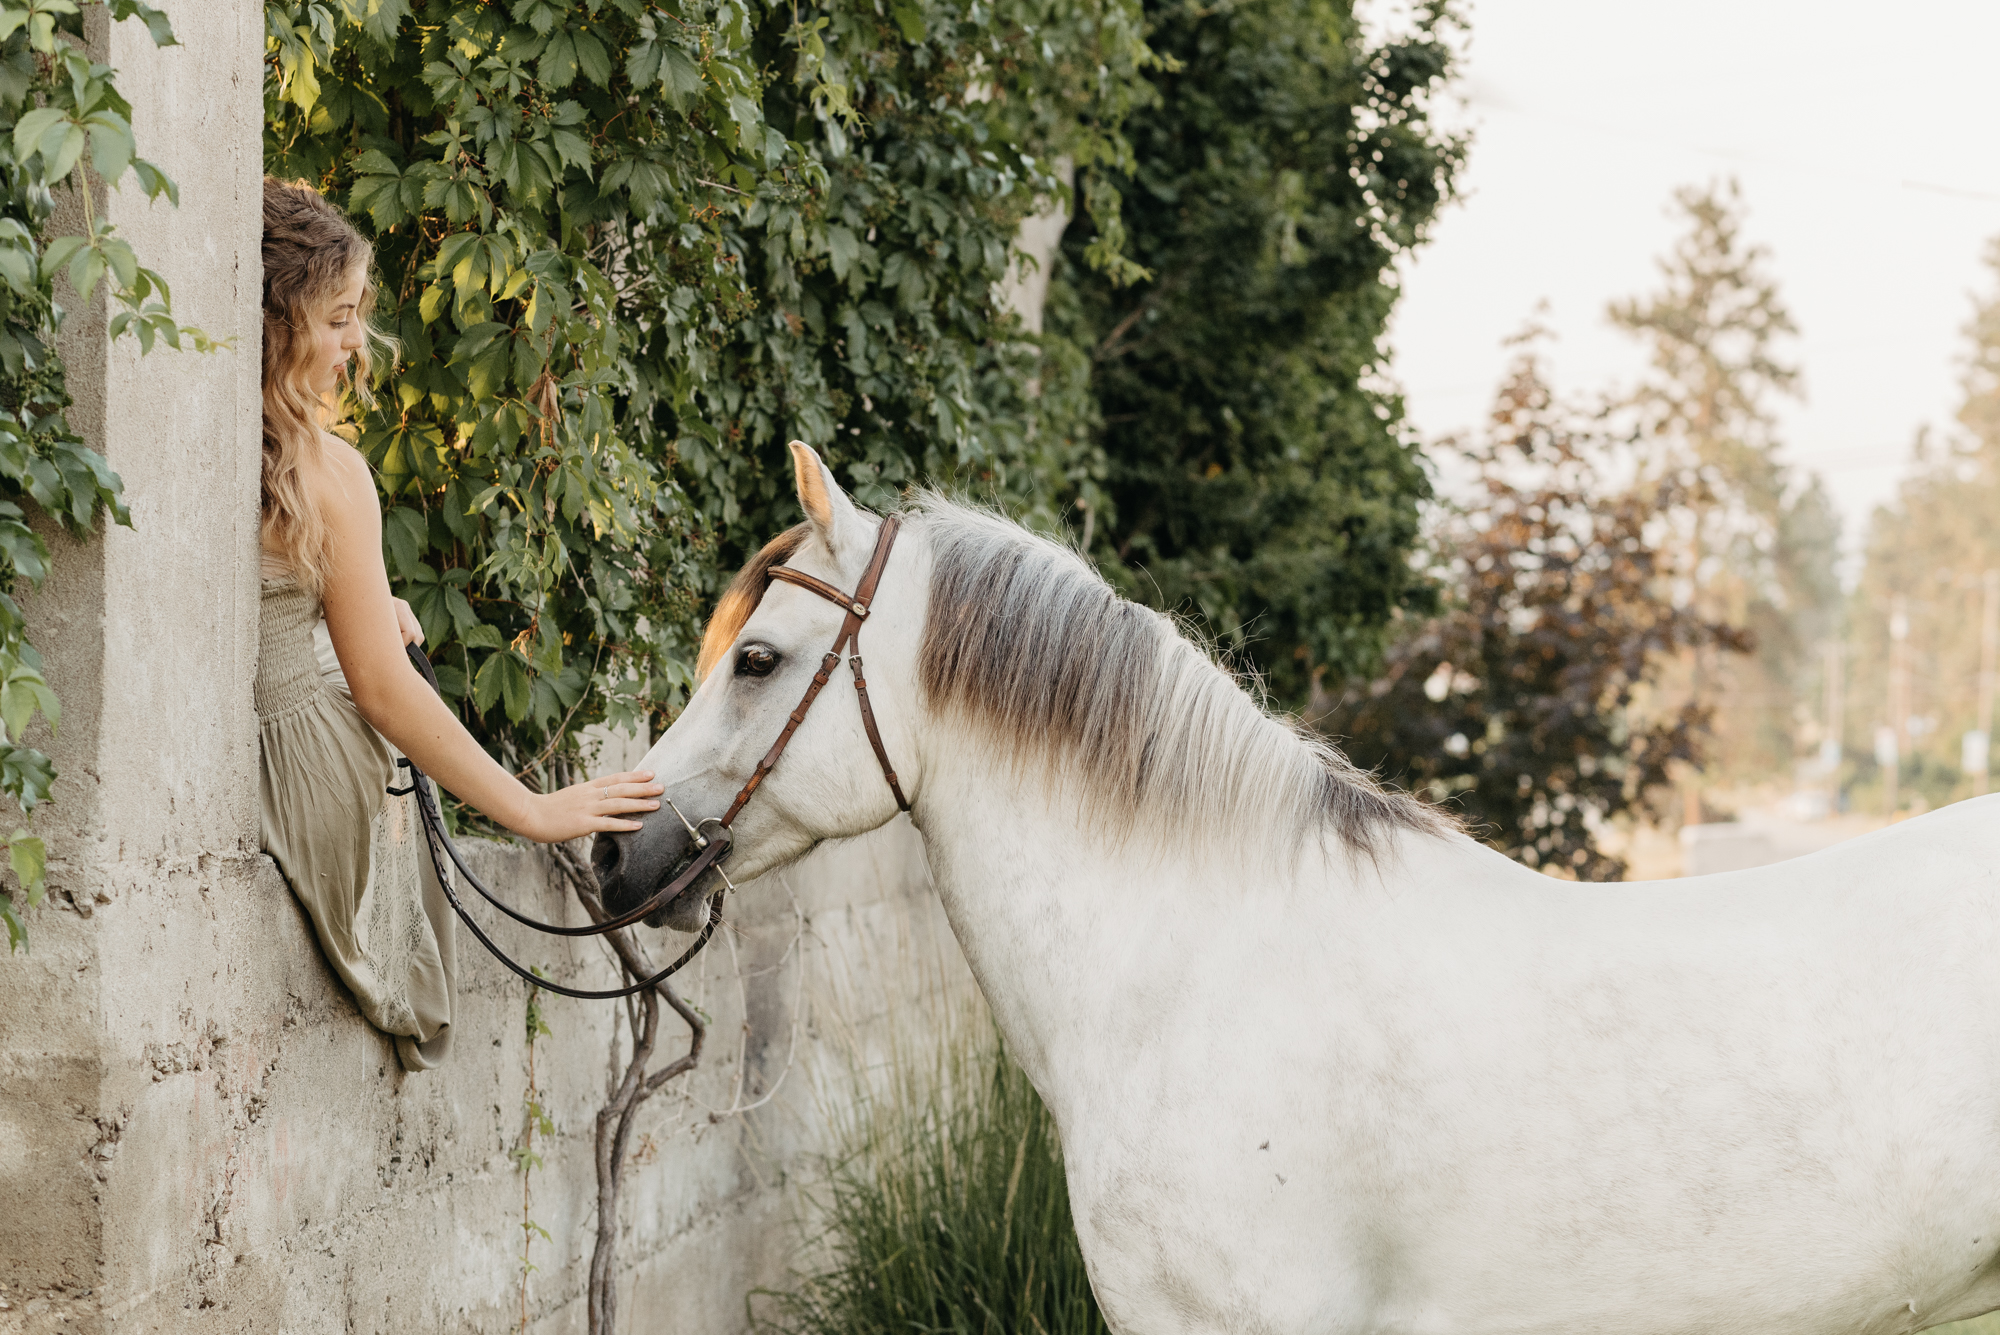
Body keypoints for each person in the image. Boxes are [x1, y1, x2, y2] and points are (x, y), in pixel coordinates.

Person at [257, 177, 663, 1069]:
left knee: (385, 633)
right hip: (299, 762)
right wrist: (534, 808)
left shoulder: (215, 440)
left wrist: (341, 615)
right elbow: (382, 687)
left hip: (240, 741)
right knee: (401, 730)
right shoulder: (328, 473)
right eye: (337, 319)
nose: (355, 342)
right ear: (278, 322)